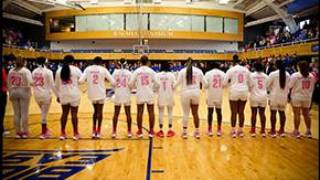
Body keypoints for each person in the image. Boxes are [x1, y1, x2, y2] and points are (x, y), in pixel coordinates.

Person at [80, 56, 115, 139]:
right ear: (100, 62)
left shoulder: (88, 69)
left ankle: (93, 130)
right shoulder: (103, 69)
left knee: (95, 111)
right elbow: (113, 81)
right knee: (100, 111)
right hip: (101, 93)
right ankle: (98, 131)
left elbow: (81, 81)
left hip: (92, 93)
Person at [175, 58, 207, 139]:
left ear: (186, 63)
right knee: (195, 113)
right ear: (194, 63)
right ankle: (197, 132)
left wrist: (171, 87)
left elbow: (177, 83)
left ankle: (185, 133)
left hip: (185, 94)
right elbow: (205, 83)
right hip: (196, 93)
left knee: (185, 113)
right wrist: (202, 90)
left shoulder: (182, 71)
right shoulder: (199, 71)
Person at [129, 55, 159, 138]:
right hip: (149, 93)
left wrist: (135, 87)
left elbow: (130, 83)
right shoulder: (152, 71)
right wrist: (153, 89)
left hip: (140, 93)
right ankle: (151, 131)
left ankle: (140, 131)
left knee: (140, 112)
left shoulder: (136, 71)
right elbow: (158, 83)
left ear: (140, 62)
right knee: (151, 112)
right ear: (148, 62)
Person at [55, 55, 82, 140]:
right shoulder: (76, 70)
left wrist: (58, 95)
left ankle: (62, 133)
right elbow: (81, 81)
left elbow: (56, 85)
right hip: (74, 94)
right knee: (74, 114)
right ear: (73, 61)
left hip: (64, 94)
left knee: (64, 114)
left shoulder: (59, 70)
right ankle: (75, 133)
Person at [224, 55, 250, 138]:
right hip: (244, 91)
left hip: (234, 91)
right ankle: (241, 131)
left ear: (233, 62)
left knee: (234, 112)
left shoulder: (231, 70)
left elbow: (224, 83)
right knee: (241, 112)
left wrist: (230, 85)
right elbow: (251, 82)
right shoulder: (246, 70)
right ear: (239, 61)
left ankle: (233, 131)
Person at [289, 61, 316, 138]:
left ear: (299, 67)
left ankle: (296, 131)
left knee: (297, 114)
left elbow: (289, 86)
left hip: (296, 97)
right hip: (307, 97)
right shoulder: (312, 76)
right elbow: (312, 88)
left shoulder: (295, 75)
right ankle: (308, 131)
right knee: (306, 114)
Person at [8, 56, 32, 138]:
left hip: (14, 92)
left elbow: (9, 83)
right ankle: (25, 132)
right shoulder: (26, 71)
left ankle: (17, 133)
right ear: (24, 62)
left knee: (16, 113)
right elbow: (30, 82)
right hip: (24, 92)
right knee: (24, 113)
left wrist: (10, 93)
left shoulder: (11, 71)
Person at [32, 57, 56, 139]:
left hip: (36, 95)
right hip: (45, 95)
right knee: (44, 114)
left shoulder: (34, 71)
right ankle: (43, 133)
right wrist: (58, 95)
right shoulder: (49, 72)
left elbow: (32, 83)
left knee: (43, 112)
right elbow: (53, 85)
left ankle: (46, 130)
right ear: (45, 62)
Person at [266, 59, 290, 138]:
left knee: (273, 113)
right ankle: (282, 130)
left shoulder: (273, 74)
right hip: (284, 96)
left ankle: (273, 131)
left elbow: (267, 85)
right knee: (282, 113)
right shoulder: (288, 74)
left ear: (276, 65)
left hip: (274, 96)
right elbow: (289, 86)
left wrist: (269, 91)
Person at [111, 58, 132, 138]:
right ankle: (129, 131)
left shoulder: (115, 72)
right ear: (126, 64)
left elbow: (112, 84)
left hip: (118, 94)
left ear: (119, 64)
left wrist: (116, 88)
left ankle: (114, 132)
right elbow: (131, 85)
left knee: (116, 113)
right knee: (128, 113)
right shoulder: (129, 73)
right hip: (126, 94)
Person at [204, 61, 225, 136]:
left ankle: (209, 130)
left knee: (210, 112)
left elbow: (205, 85)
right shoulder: (222, 73)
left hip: (210, 95)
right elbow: (225, 84)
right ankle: (219, 129)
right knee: (219, 112)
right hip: (219, 94)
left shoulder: (208, 73)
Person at [156, 61, 176, 138]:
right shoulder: (171, 75)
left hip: (161, 95)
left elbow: (155, 86)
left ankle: (161, 130)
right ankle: (170, 130)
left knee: (160, 112)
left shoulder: (157, 75)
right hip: (169, 95)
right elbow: (174, 86)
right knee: (170, 112)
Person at [248, 61, 268, 137]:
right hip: (263, 96)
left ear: (254, 67)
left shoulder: (251, 75)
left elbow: (249, 86)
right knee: (262, 113)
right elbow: (268, 86)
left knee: (254, 113)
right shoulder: (266, 76)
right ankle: (263, 130)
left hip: (254, 96)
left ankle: (253, 130)